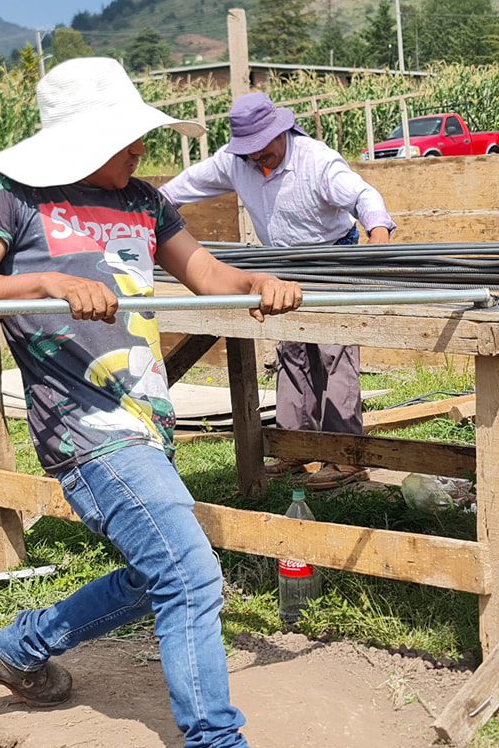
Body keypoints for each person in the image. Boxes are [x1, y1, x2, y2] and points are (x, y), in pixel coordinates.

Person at [0, 58, 309, 748]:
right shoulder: (11, 195)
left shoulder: (143, 200)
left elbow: (206, 275)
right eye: (125, 138)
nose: (141, 150)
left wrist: (257, 282)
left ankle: (17, 649)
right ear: (78, 140)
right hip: (85, 428)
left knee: (155, 575)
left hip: (147, 421)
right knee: (191, 574)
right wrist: (42, 282)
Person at [161, 92, 395, 491]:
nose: (256, 159)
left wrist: (377, 236)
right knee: (292, 351)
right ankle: (293, 447)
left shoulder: (315, 160)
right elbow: (179, 189)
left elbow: (363, 196)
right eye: (248, 152)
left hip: (332, 261)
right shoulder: (235, 163)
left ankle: (345, 455)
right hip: (281, 266)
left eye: (262, 150)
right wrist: (142, 211)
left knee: (333, 350)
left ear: (281, 132)